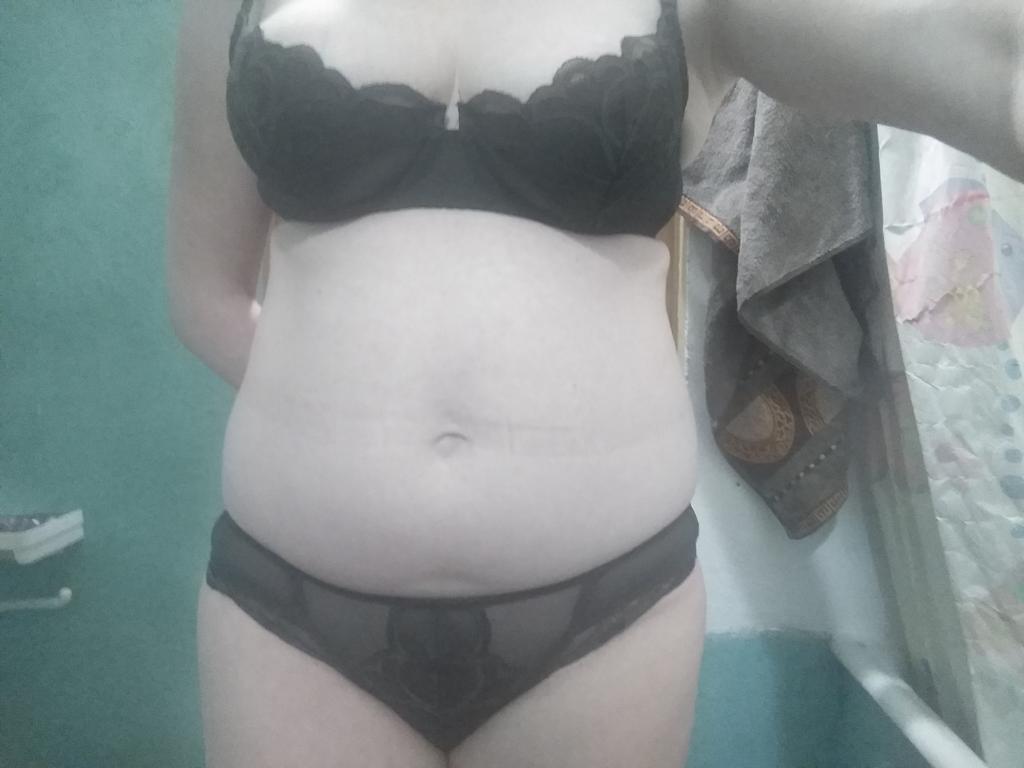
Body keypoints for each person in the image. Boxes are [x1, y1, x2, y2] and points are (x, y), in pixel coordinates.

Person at [166, 0, 1023, 765]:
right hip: (290, 612)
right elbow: (207, 295)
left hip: (606, 614)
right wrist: (346, 436)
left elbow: (981, 55)